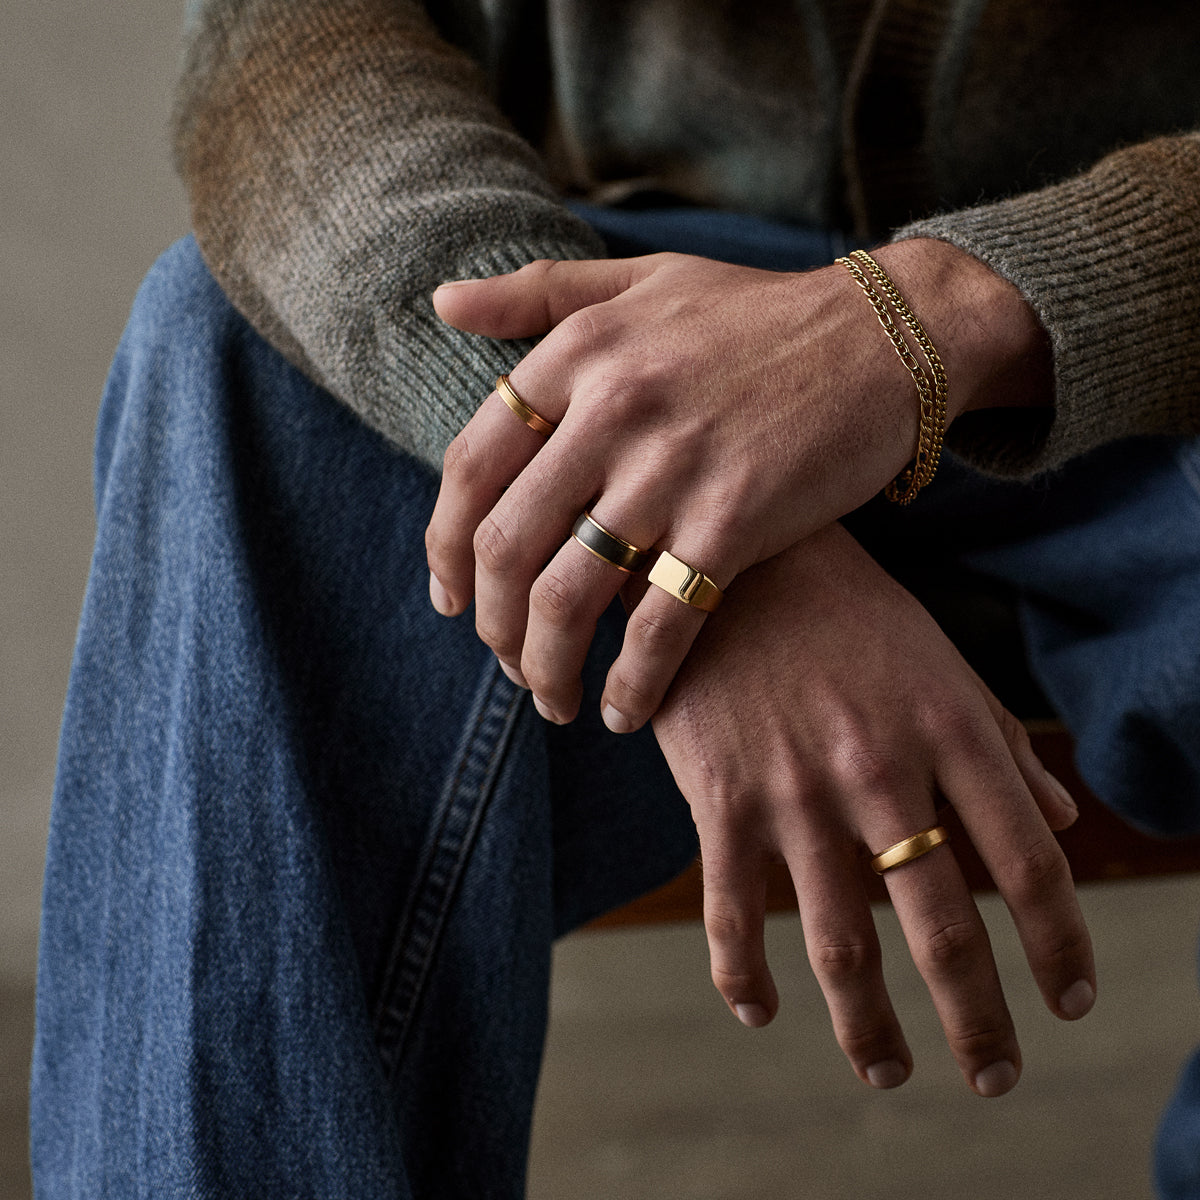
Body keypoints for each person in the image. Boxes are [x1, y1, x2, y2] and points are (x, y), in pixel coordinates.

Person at [32, 1, 1200, 1196]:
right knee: (227, 351)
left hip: (1149, 381)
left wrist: (931, 322)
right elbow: (282, 41)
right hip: (632, 322)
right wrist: (686, 527)